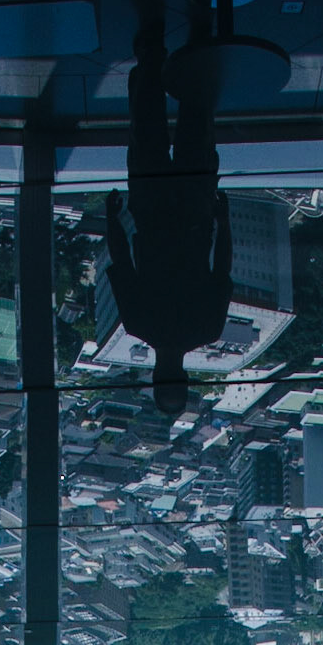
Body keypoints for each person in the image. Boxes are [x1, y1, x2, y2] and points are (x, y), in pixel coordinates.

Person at [105, 26, 232, 417]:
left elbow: (221, 266)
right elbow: (122, 261)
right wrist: (112, 217)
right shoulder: (138, 324)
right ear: (157, 375)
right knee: (147, 127)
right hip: (152, 209)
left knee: (195, 124)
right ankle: (151, 54)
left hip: (195, 213)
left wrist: (222, 220)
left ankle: (196, 53)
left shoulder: (207, 329)